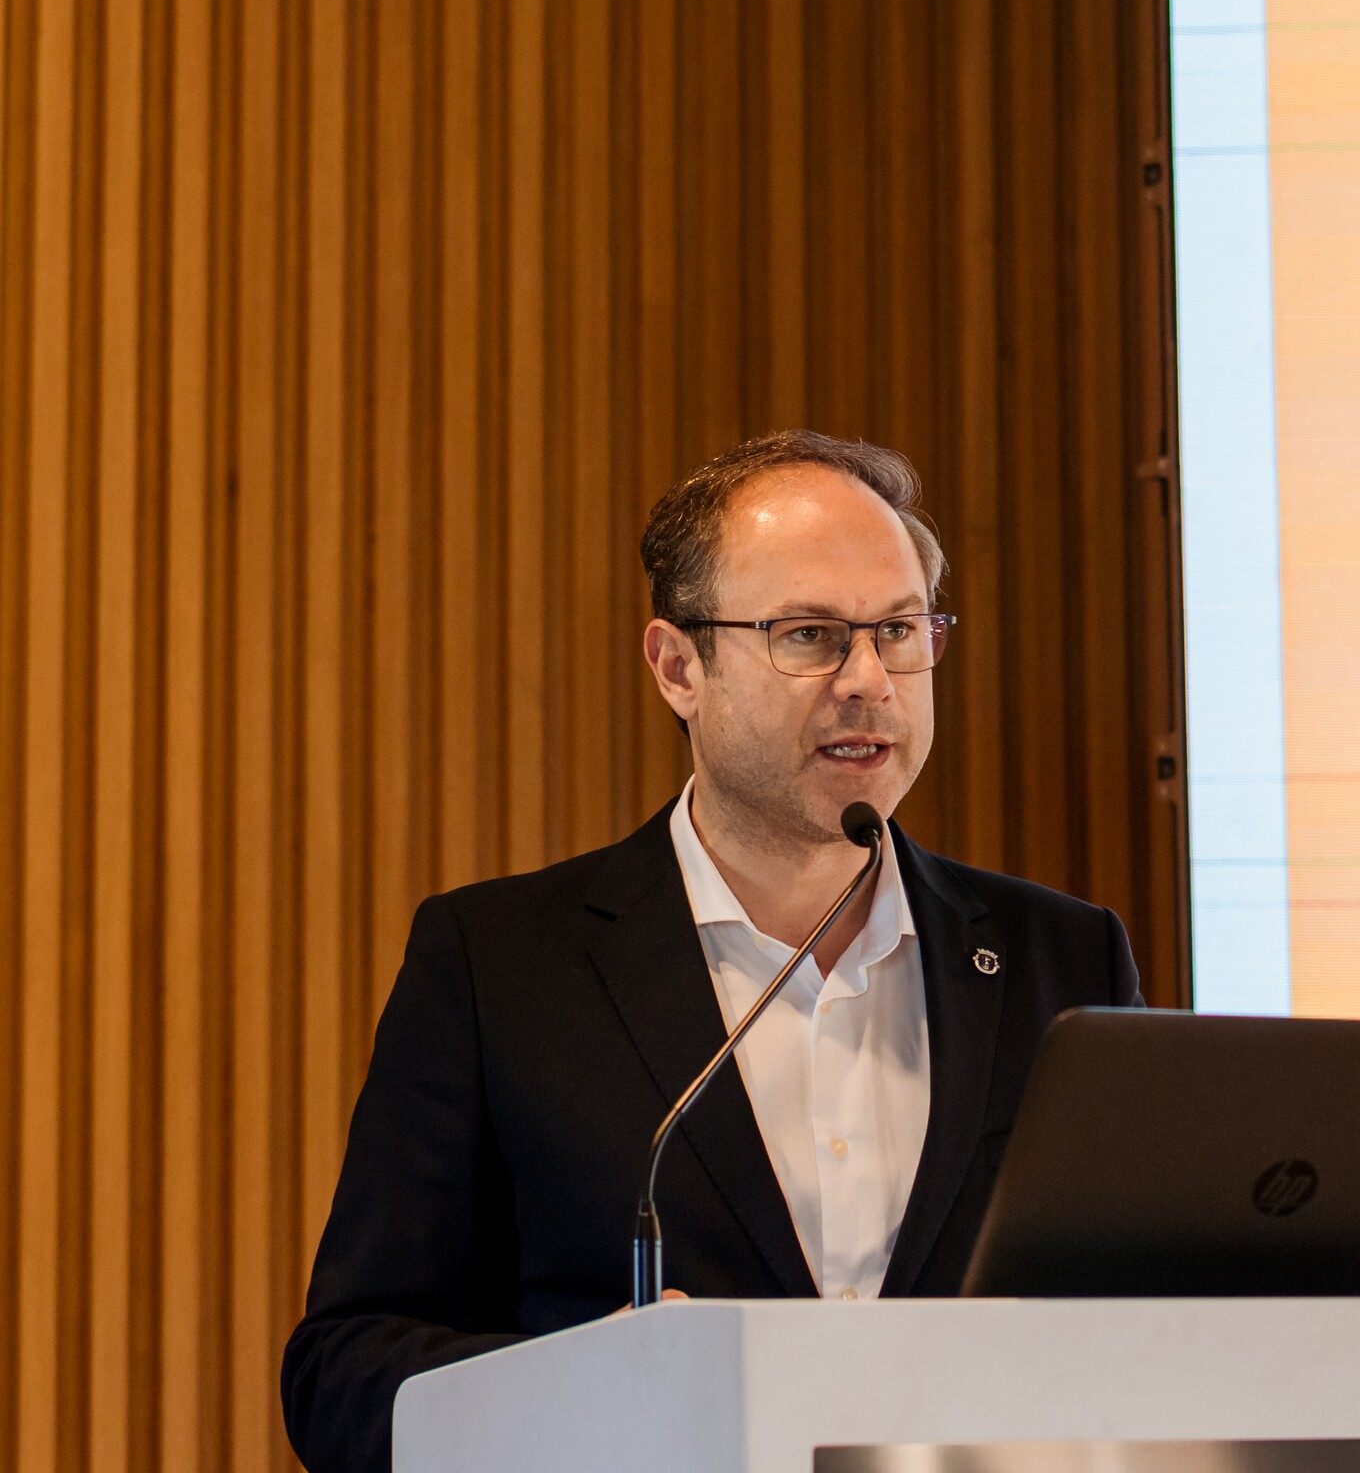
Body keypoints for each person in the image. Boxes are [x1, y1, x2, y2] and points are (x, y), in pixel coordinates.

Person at [281, 431, 1143, 1473]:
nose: (869, 680)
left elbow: (1147, 1328)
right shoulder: (497, 965)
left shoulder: (1065, 961)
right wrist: (572, 1391)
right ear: (679, 666)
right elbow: (344, 1373)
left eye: (900, 630)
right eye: (811, 635)